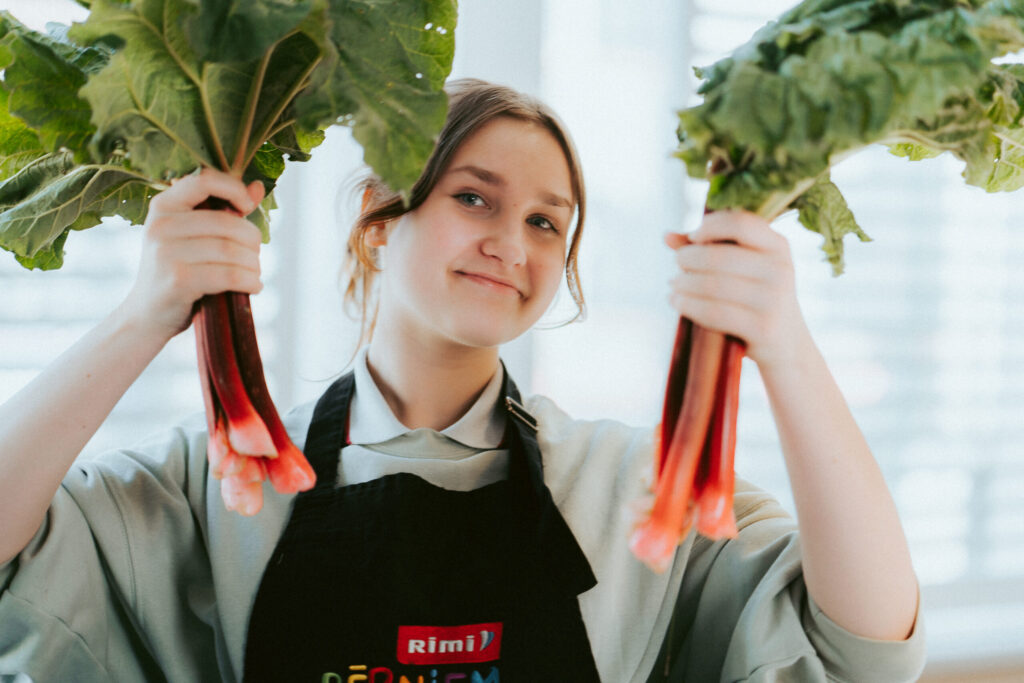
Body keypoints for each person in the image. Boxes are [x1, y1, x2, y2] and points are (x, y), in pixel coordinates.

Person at [0, 79, 924, 682]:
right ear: (378, 218)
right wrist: (143, 315)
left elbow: (866, 647)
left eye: (546, 223)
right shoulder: (226, 478)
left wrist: (786, 347)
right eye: (473, 196)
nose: (510, 244)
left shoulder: (633, 488)